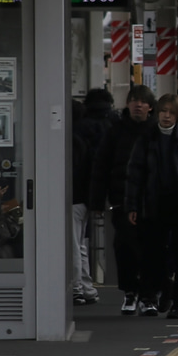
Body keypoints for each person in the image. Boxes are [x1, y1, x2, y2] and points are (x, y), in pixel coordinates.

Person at [125, 94, 178, 319]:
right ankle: (159, 291)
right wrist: (132, 205)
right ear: (157, 112)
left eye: (172, 112)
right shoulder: (147, 138)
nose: (166, 116)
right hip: (154, 204)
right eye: (163, 111)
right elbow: (135, 174)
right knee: (153, 253)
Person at [87, 85, 156, 314]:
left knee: (151, 249)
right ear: (127, 104)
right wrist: (97, 202)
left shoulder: (156, 132)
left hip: (152, 202)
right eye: (134, 100)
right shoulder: (115, 131)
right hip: (121, 201)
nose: (138, 105)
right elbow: (101, 167)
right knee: (125, 248)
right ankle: (130, 292)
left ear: (150, 107)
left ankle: (148, 296)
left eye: (143, 101)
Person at [70, 100, 98, 306]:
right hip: (84, 199)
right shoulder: (86, 138)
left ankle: (77, 289)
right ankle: (87, 288)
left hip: (72, 199)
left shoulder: (70, 141)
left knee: (73, 245)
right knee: (80, 245)